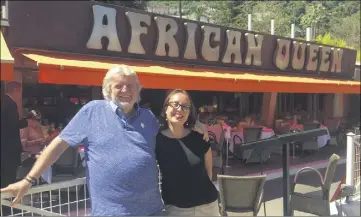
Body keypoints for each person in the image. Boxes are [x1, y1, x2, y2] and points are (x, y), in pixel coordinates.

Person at [1, 66, 163, 216]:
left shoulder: (148, 118)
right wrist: (28, 180)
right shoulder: (92, 111)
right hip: (111, 212)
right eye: (118, 86)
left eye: (130, 85)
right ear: (108, 90)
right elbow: (58, 146)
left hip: (151, 211)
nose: (125, 90)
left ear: (138, 89)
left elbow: (166, 148)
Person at [156, 89, 219, 216]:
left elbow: (208, 173)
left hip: (207, 207)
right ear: (165, 109)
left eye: (185, 106)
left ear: (189, 112)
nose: (180, 109)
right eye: (175, 104)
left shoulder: (199, 137)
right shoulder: (156, 141)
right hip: (175, 209)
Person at [1, 82, 28, 188]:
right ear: (16, 91)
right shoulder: (10, 104)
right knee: (9, 176)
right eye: (20, 92)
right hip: (9, 148)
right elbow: (12, 124)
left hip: (3, 146)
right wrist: (26, 122)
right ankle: (6, 202)